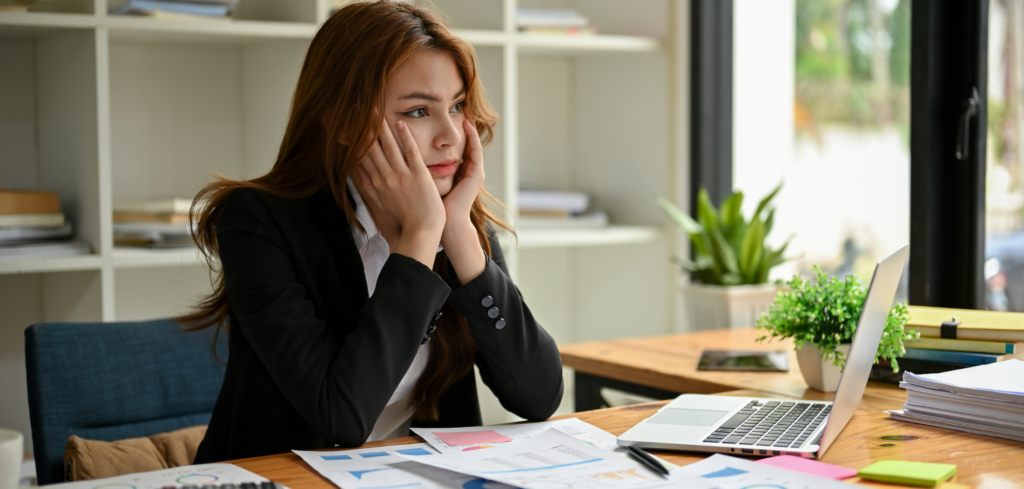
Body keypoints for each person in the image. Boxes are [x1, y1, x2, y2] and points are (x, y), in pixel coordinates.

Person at [180, 1, 564, 463]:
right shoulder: (260, 223)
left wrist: (459, 236)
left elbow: (539, 397)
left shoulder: (457, 217)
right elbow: (341, 420)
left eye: (457, 105)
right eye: (419, 111)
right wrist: (421, 237)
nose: (451, 136)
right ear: (345, 121)